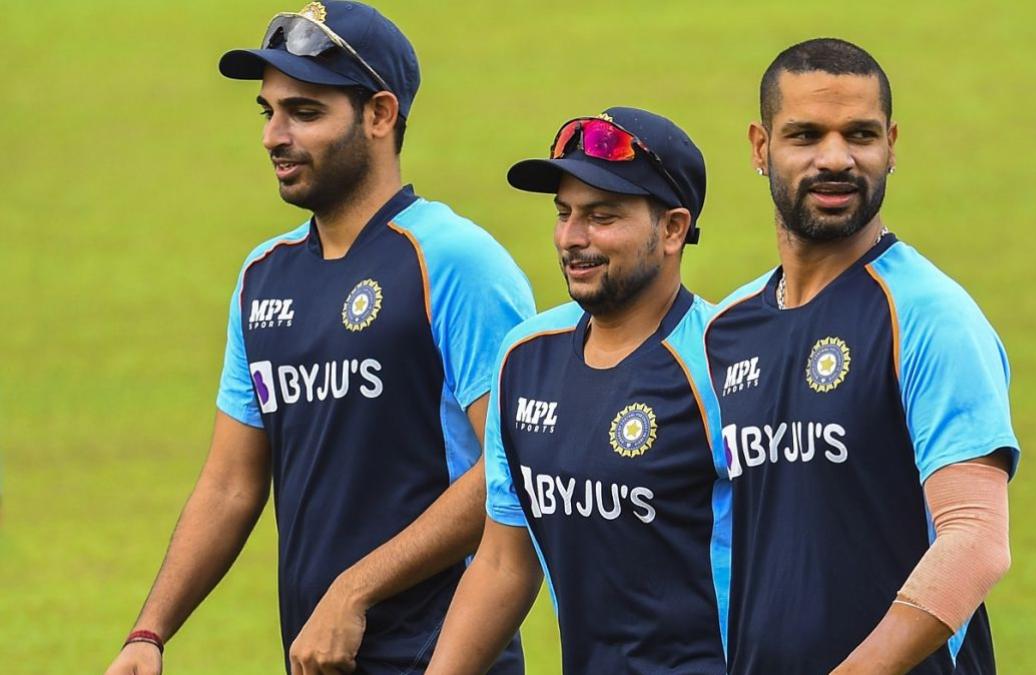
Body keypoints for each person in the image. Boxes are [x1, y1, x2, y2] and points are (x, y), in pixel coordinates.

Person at [104, 3, 532, 674]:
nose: (275, 135)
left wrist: (353, 589)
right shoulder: (262, 276)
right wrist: (149, 633)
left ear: (380, 116)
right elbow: (229, 483)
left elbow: (511, 468)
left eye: (305, 113)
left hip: (443, 651)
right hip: (319, 656)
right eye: (267, 111)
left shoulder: (452, 261)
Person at [705, 38, 1019, 674]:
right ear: (761, 149)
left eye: (860, 135)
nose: (836, 159)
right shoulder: (725, 328)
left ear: (892, 145)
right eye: (805, 135)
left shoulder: (930, 316)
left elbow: (976, 541)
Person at [424, 107, 731, 675]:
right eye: (563, 214)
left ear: (673, 229)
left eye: (601, 217)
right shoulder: (524, 357)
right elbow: (502, 561)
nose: (572, 238)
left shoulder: (724, 367)